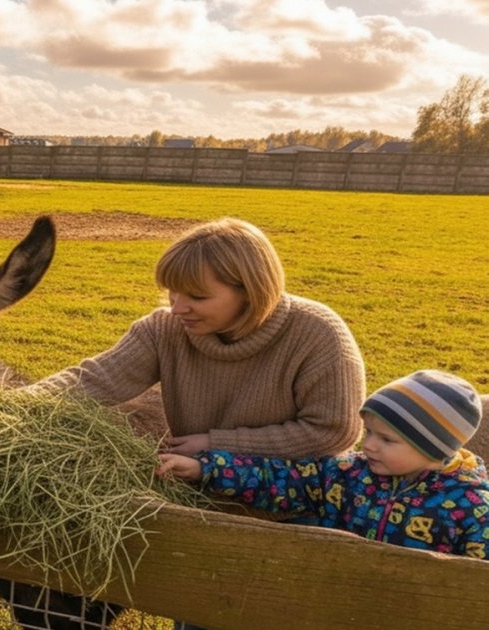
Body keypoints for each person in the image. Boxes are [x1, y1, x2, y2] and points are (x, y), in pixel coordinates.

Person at [30, 217, 366, 459]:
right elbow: (92, 379)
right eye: (172, 293)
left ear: (250, 292)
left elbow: (332, 432)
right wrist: (1, 408)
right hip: (199, 484)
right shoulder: (164, 330)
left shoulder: (317, 334)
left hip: (296, 499)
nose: (178, 308)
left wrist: (214, 444)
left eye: (197, 297)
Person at [157, 370, 489, 558]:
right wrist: (206, 468)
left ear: (434, 447)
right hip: (335, 600)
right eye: (369, 432)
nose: (368, 445)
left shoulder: (471, 506)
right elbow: (279, 479)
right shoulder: (347, 474)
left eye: (387, 440)